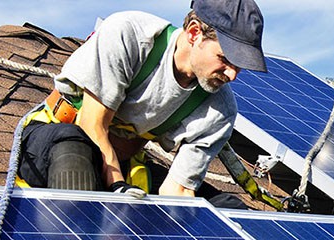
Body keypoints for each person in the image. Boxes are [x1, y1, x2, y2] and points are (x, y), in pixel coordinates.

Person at [18, 0, 267, 200]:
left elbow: (178, 192)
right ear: (194, 33)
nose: (233, 75)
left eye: (240, 66)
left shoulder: (219, 110)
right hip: (54, 141)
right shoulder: (131, 36)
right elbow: (91, 124)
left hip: (125, 163)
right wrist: (117, 187)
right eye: (225, 59)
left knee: (220, 208)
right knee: (75, 152)